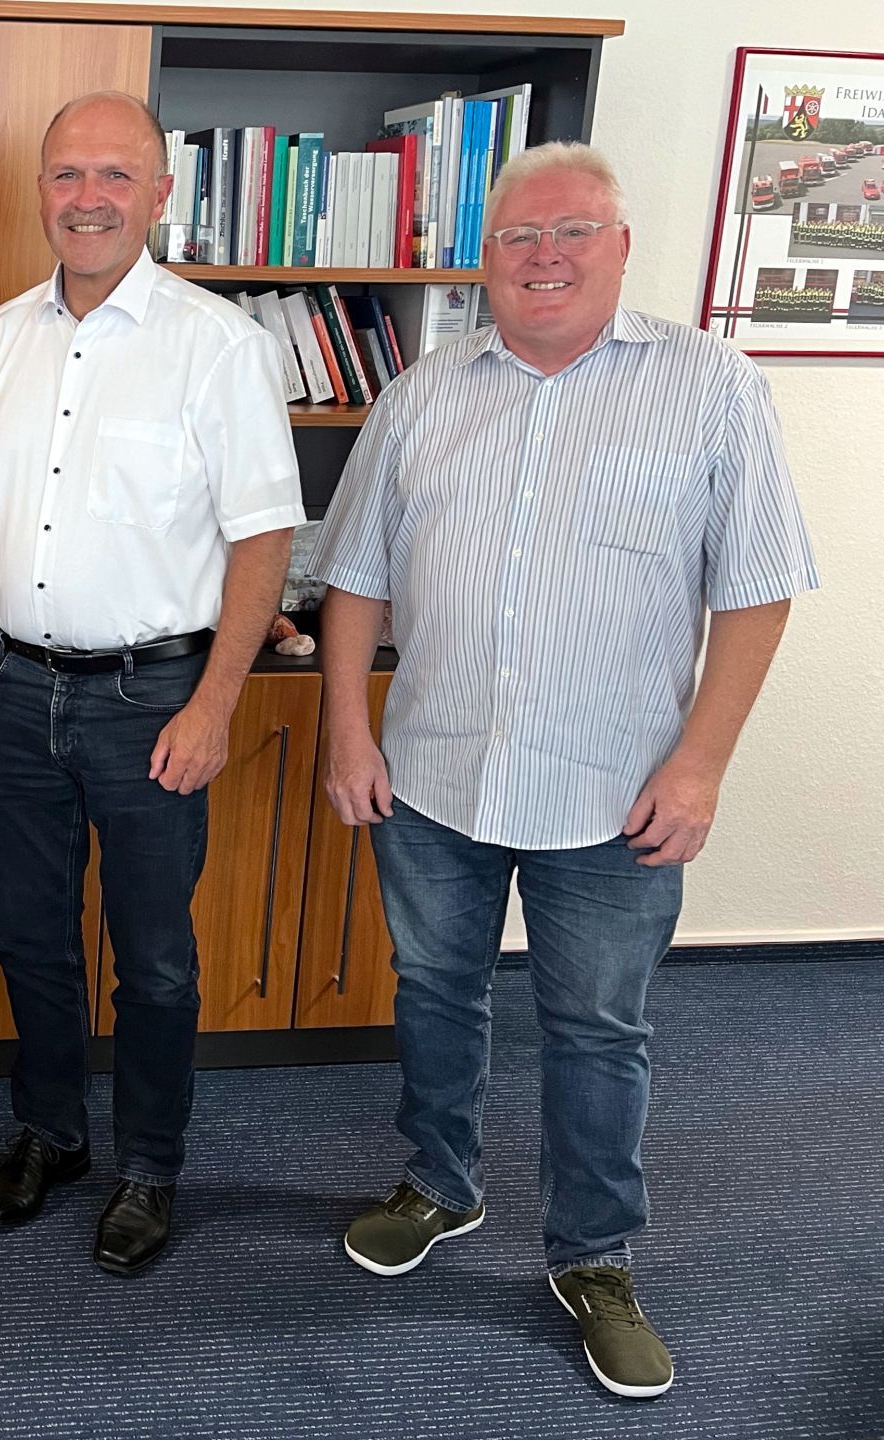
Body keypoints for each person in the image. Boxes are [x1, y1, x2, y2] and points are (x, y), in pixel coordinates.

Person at [312, 142, 818, 1398]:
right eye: (518, 236)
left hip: (617, 793)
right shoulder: (422, 394)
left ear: (621, 245)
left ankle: (594, 1255)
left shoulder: (709, 386)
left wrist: (702, 766)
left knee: (597, 1029)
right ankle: (440, 1184)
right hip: (431, 779)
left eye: (573, 230)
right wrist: (346, 731)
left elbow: (758, 590)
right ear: (484, 258)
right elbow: (356, 576)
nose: (544, 255)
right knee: (436, 995)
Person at [0, 91, 303, 1275]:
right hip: (11, 689)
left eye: (116, 175)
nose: (88, 198)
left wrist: (216, 704)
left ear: (161, 194)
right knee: (29, 938)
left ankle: (150, 1168)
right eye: (67, 174)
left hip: (154, 703)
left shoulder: (218, 346)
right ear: (40, 190)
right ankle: (53, 1135)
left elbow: (264, 539)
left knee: (155, 960)